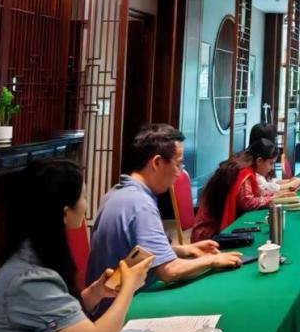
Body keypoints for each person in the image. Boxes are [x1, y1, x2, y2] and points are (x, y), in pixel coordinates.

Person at [0, 159, 153, 332]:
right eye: (84, 197)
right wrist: (129, 287)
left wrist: (97, 292)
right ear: (65, 212)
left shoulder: (32, 255)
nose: (86, 205)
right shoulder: (28, 280)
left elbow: (57, 313)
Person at [86, 124, 243, 299]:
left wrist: (184, 250)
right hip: (125, 305)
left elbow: (137, 251)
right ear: (157, 162)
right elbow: (169, 271)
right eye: (178, 164)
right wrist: (212, 260)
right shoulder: (141, 204)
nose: (179, 173)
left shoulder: (117, 192)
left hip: (107, 301)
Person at [190, 139, 295, 242]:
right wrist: (273, 198)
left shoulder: (244, 164)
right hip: (208, 234)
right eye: (271, 163)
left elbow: (255, 194)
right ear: (259, 161)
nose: (272, 168)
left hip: (210, 229)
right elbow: (247, 202)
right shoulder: (243, 172)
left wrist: (275, 195)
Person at [247, 123, 300, 193]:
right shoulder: (254, 164)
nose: (275, 142)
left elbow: (269, 181)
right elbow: (266, 187)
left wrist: (289, 181)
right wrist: (291, 184)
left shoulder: (254, 157)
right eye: (274, 139)